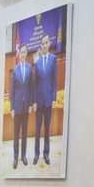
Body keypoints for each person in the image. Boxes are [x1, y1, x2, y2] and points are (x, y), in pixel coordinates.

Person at [32, 34, 58, 167]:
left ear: (49, 43)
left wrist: (54, 98)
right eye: (42, 43)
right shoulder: (37, 60)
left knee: (47, 129)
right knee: (37, 129)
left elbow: (55, 80)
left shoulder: (53, 59)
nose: (44, 45)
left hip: (48, 101)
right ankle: (36, 154)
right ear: (41, 45)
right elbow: (34, 82)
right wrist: (34, 101)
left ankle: (46, 154)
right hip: (39, 101)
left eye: (46, 42)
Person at [10, 44, 35, 169]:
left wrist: (31, 104)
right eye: (21, 52)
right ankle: (15, 157)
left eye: (25, 52)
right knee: (16, 134)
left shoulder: (30, 68)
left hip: (26, 107)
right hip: (17, 107)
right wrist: (12, 108)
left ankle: (23, 156)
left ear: (26, 54)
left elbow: (31, 87)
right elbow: (12, 90)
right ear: (19, 54)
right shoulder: (15, 70)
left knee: (24, 133)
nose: (23, 54)